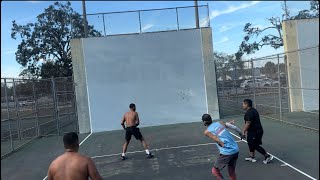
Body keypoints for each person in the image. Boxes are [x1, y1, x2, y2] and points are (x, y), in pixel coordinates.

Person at [202, 113, 245, 180]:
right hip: (235, 150)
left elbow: (214, 137)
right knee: (231, 171)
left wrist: (221, 143)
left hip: (227, 152)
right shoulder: (220, 123)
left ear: (204, 122)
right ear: (211, 119)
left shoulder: (207, 131)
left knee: (215, 171)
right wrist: (241, 134)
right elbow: (234, 127)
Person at [242, 99, 273, 164]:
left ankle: (267, 156)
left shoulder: (249, 113)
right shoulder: (253, 110)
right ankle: (252, 157)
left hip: (255, 132)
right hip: (253, 131)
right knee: (250, 143)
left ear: (246, 105)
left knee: (254, 145)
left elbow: (248, 123)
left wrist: (243, 132)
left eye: (243, 104)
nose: (242, 105)